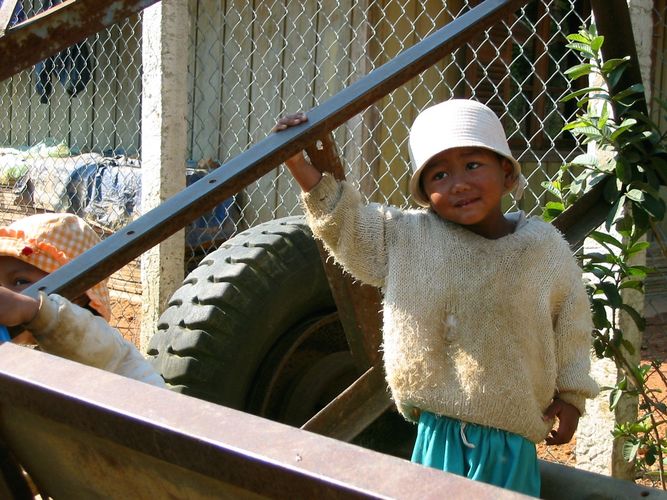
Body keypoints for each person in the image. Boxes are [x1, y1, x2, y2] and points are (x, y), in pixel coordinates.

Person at [273, 99, 598, 497]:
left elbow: (573, 325)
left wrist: (571, 396)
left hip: (510, 442)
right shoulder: (408, 238)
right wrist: (298, 163)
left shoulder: (544, 249)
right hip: (437, 433)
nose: (458, 183)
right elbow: (347, 226)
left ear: (508, 173)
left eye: (473, 165)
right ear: (425, 192)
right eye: (439, 174)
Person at [0, 212, 165, 387]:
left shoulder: (99, 341)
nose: (6, 294)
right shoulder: (23, 348)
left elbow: (75, 336)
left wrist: (33, 310)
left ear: (77, 297)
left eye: (20, 282)